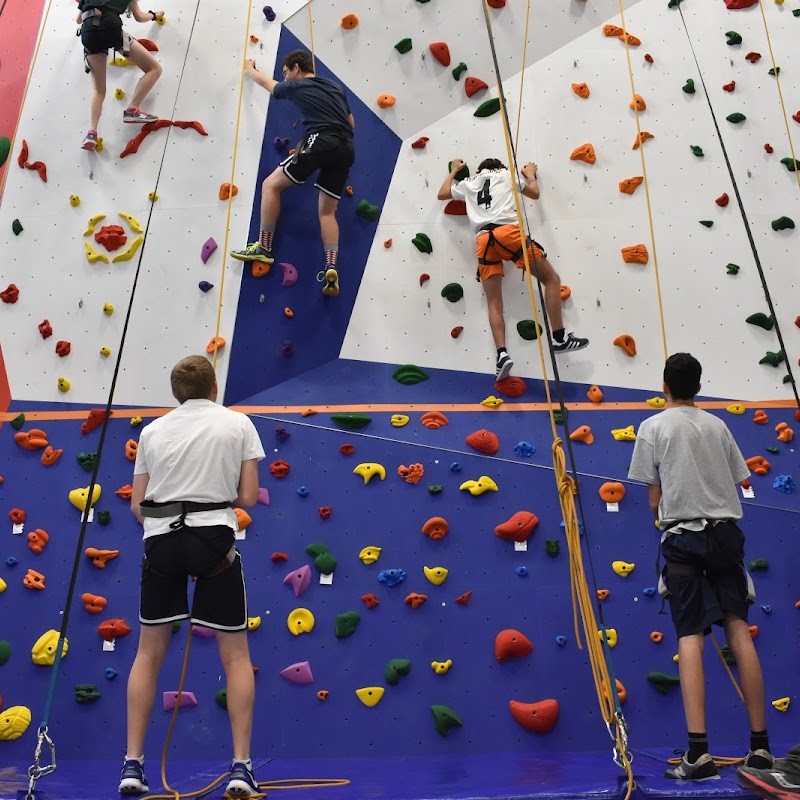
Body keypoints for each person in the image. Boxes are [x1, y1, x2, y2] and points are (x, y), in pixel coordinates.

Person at [121, 356, 265, 798]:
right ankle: (241, 767)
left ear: (175, 393)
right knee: (236, 656)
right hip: (212, 543)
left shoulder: (151, 432)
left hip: (162, 541)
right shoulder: (238, 424)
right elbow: (247, 497)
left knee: (147, 654)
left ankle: (132, 766)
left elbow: (137, 505)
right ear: (215, 386)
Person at [628, 353, 772, 781]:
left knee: (690, 634)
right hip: (726, 536)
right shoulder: (718, 424)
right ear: (699, 386)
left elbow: (654, 499)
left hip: (683, 538)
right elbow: (734, 478)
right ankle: (761, 748)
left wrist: (664, 513)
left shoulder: (652, 427)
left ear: (664, 385)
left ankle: (698, 754)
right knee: (738, 630)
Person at [437, 157, 589, 381]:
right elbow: (534, 193)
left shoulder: (470, 182)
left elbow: (442, 193)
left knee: (493, 302)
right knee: (552, 280)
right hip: (508, 233)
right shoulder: (507, 174)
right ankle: (559, 338)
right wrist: (529, 174)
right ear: (499, 166)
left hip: (483, 240)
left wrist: (455, 171)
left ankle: (502, 355)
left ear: (480, 170)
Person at [230, 49, 356, 298]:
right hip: (347, 149)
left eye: (286, 72)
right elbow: (351, 123)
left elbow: (270, 86)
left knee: (270, 185)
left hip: (321, 140)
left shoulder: (298, 85)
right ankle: (330, 266)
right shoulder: (335, 87)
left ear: (296, 68)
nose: (286, 78)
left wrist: (249, 69)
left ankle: (264, 246)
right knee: (328, 212)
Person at [76, 0, 164, 151]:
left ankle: (92, 133)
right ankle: (133, 109)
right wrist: (154, 15)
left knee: (98, 90)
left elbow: (78, 20)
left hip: (89, 34)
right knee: (154, 68)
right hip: (111, 30)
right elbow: (139, 17)